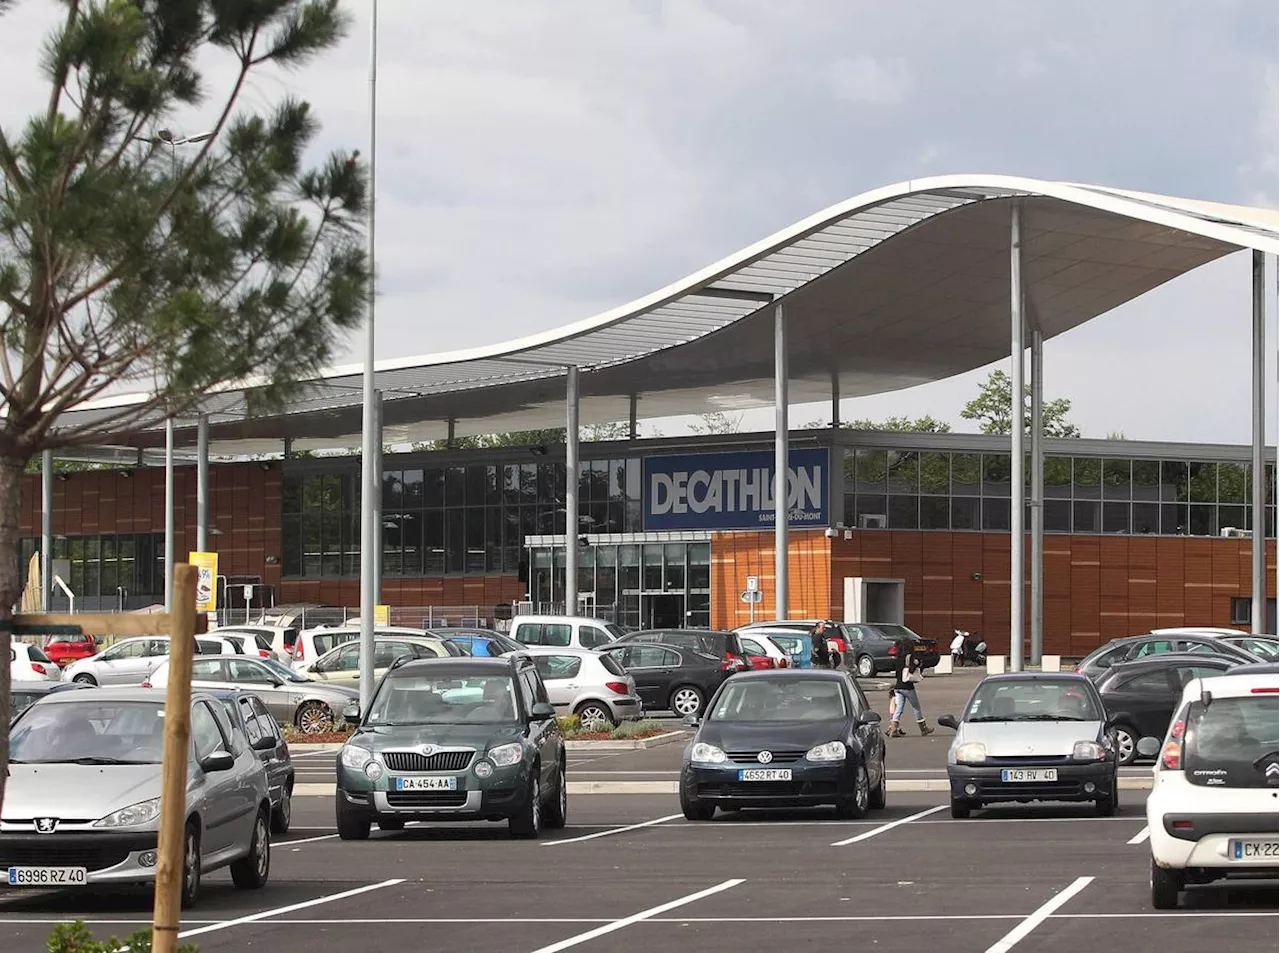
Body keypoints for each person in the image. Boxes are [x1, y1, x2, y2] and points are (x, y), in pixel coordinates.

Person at [887, 638, 933, 738]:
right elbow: (912, 669)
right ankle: (924, 729)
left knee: (899, 708)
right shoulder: (909, 657)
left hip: (898, 687)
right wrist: (918, 663)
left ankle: (893, 729)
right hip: (907, 687)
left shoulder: (898, 657)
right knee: (916, 708)